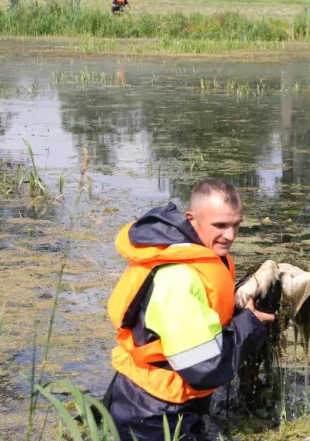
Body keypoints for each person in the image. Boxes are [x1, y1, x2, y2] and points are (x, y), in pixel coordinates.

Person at [104, 179, 274, 440]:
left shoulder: (204, 253)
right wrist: (249, 324)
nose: (230, 235)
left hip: (174, 395)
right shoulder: (178, 278)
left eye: (236, 224)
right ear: (191, 218)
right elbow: (204, 367)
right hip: (151, 409)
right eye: (220, 225)